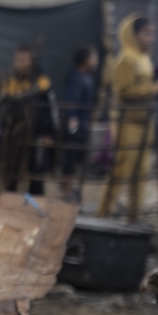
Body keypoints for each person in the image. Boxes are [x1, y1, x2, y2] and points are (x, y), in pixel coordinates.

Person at [98, 15, 158, 220]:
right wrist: (154, 88)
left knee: (141, 174)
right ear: (132, 35)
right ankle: (104, 213)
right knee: (121, 171)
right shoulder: (125, 60)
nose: (151, 38)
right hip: (129, 125)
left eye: (152, 33)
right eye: (146, 33)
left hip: (145, 124)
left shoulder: (145, 60)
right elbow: (123, 91)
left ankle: (134, 217)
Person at [1, 44, 58, 196]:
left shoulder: (42, 83)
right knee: (11, 168)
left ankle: (36, 201)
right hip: (14, 133)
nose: (17, 63)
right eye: (16, 59)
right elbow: (6, 108)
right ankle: (9, 198)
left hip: (36, 132)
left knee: (35, 170)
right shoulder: (12, 81)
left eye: (22, 60)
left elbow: (51, 109)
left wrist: (49, 133)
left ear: (32, 61)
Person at [60, 45, 99, 200]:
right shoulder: (77, 79)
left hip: (83, 124)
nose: (96, 61)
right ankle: (67, 189)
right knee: (70, 157)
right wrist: (73, 123)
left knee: (76, 158)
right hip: (76, 126)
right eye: (94, 57)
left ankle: (69, 186)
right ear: (85, 60)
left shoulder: (85, 78)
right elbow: (71, 103)